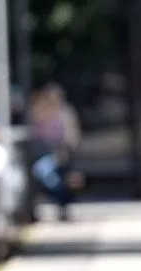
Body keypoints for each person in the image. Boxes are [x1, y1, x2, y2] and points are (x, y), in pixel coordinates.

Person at [27, 83, 82, 221]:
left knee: (50, 177)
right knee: (45, 177)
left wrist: (69, 151)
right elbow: (33, 134)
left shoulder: (65, 113)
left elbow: (71, 135)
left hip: (59, 154)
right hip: (41, 154)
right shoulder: (39, 111)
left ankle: (61, 202)